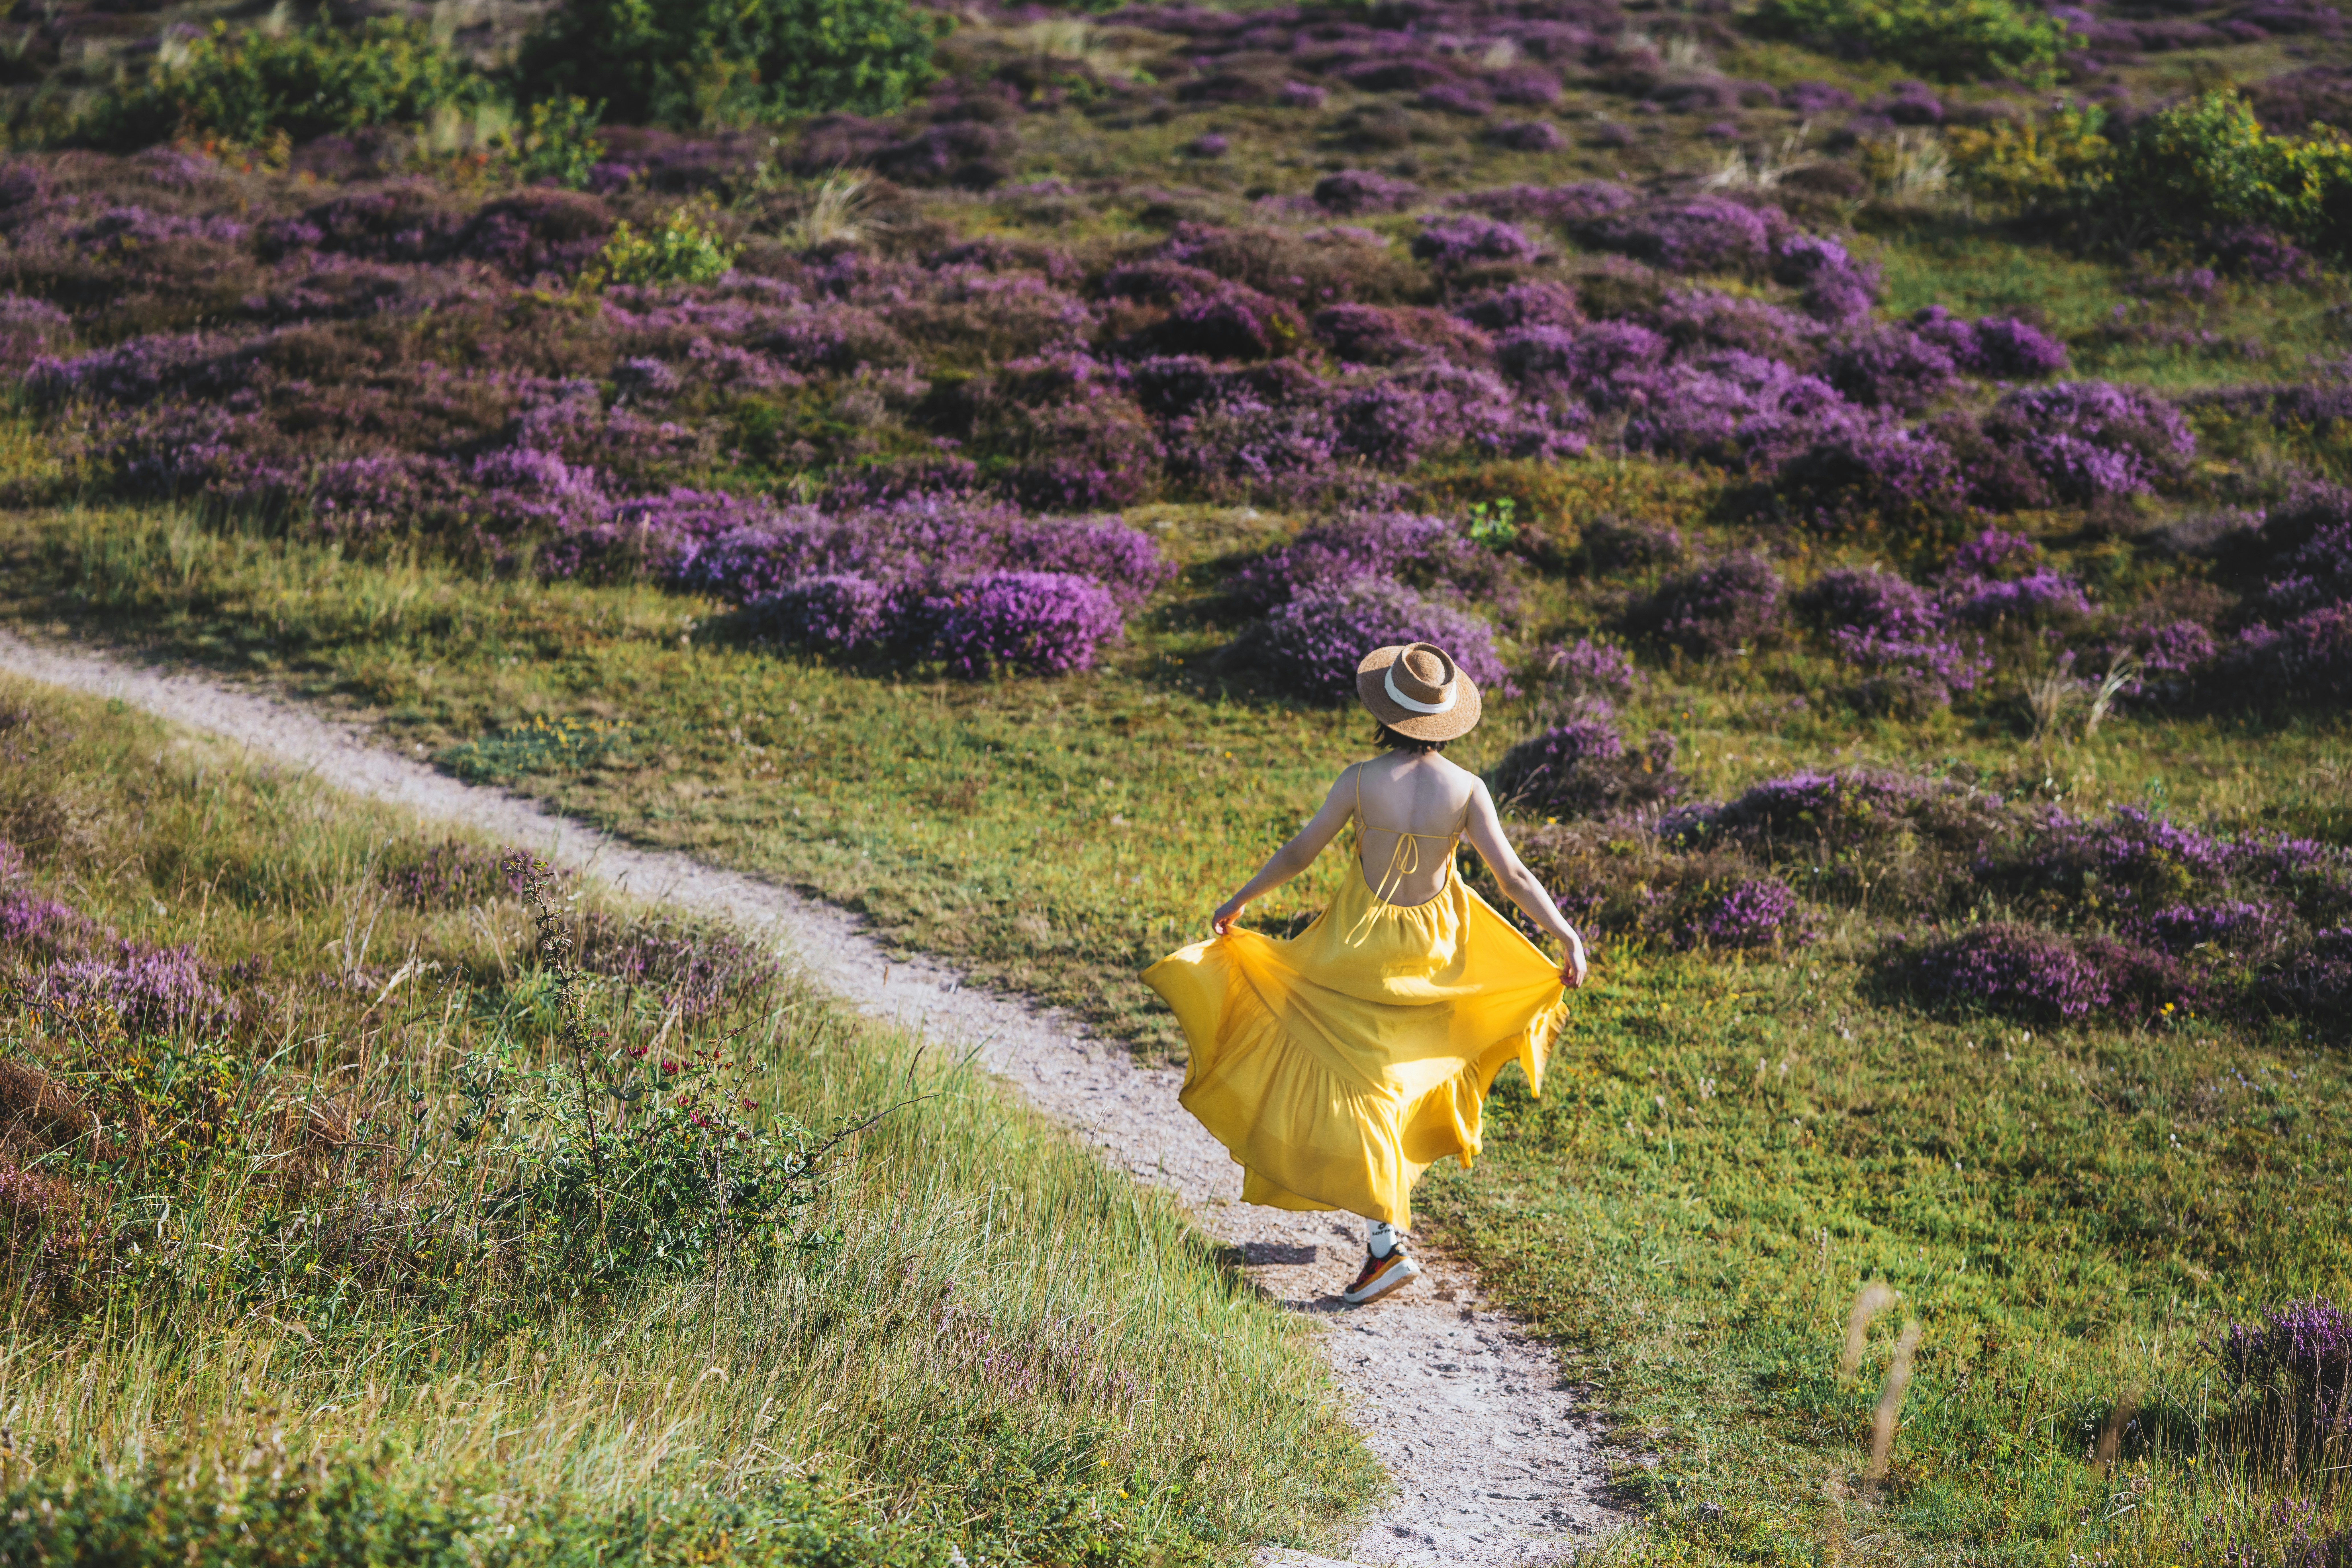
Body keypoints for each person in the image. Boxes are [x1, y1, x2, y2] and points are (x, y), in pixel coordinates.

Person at [1144, 640, 1590, 1306]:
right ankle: (1384, 1236)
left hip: (1356, 948)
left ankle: (1386, 1245)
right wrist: (1566, 935)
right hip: (1436, 957)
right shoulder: (1467, 789)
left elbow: (1301, 851)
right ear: (1445, 718)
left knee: (1359, 1078)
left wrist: (1241, 900)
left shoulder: (1359, 780)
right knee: (1394, 1082)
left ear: (1386, 711)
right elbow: (1514, 877)